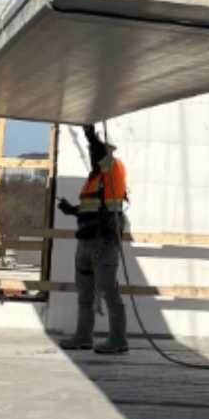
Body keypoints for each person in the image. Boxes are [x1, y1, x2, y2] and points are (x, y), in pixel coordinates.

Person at [56, 125, 129, 355]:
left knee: (108, 290)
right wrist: (71, 210)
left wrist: (90, 136)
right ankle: (83, 336)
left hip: (104, 242)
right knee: (84, 292)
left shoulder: (113, 169)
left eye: (96, 150)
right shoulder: (94, 178)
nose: (92, 153)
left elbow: (102, 157)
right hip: (86, 242)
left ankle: (118, 339)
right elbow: (91, 208)